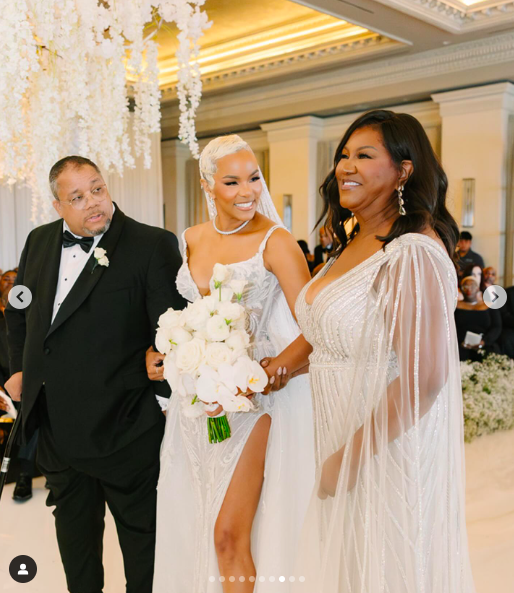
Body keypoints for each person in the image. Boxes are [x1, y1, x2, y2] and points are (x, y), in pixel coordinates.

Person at [291, 110, 475, 591]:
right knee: (350, 568)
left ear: (404, 170)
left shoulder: (410, 249)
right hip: (338, 428)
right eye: (343, 156)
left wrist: (349, 457)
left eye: (364, 155)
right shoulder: (351, 241)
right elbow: (330, 337)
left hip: (381, 446)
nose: (345, 167)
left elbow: (425, 376)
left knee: (383, 567)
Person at [4, 155, 186, 593]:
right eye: (77, 197)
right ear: (57, 206)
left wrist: (160, 403)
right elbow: (19, 308)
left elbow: (175, 331)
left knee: (143, 550)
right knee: (77, 550)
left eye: (98, 189)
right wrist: (17, 370)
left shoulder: (151, 244)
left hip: (126, 429)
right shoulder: (39, 241)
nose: (93, 203)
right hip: (58, 433)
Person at [148, 135, 315, 592]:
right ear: (208, 185)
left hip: (253, 401)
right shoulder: (190, 239)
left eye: (254, 177)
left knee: (228, 533)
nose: (248, 191)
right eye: (232, 181)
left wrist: (272, 370)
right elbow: (183, 313)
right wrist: (164, 350)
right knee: (196, 520)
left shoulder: (275, 241)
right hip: (195, 404)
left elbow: (317, 328)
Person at [455, 276, 501, 361]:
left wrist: (484, 341)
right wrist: (460, 341)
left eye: (472, 286)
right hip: (460, 344)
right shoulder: (455, 307)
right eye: (465, 286)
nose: (469, 289)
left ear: (478, 288)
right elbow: (450, 326)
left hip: (485, 343)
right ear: (460, 289)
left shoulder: (489, 305)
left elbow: (496, 326)